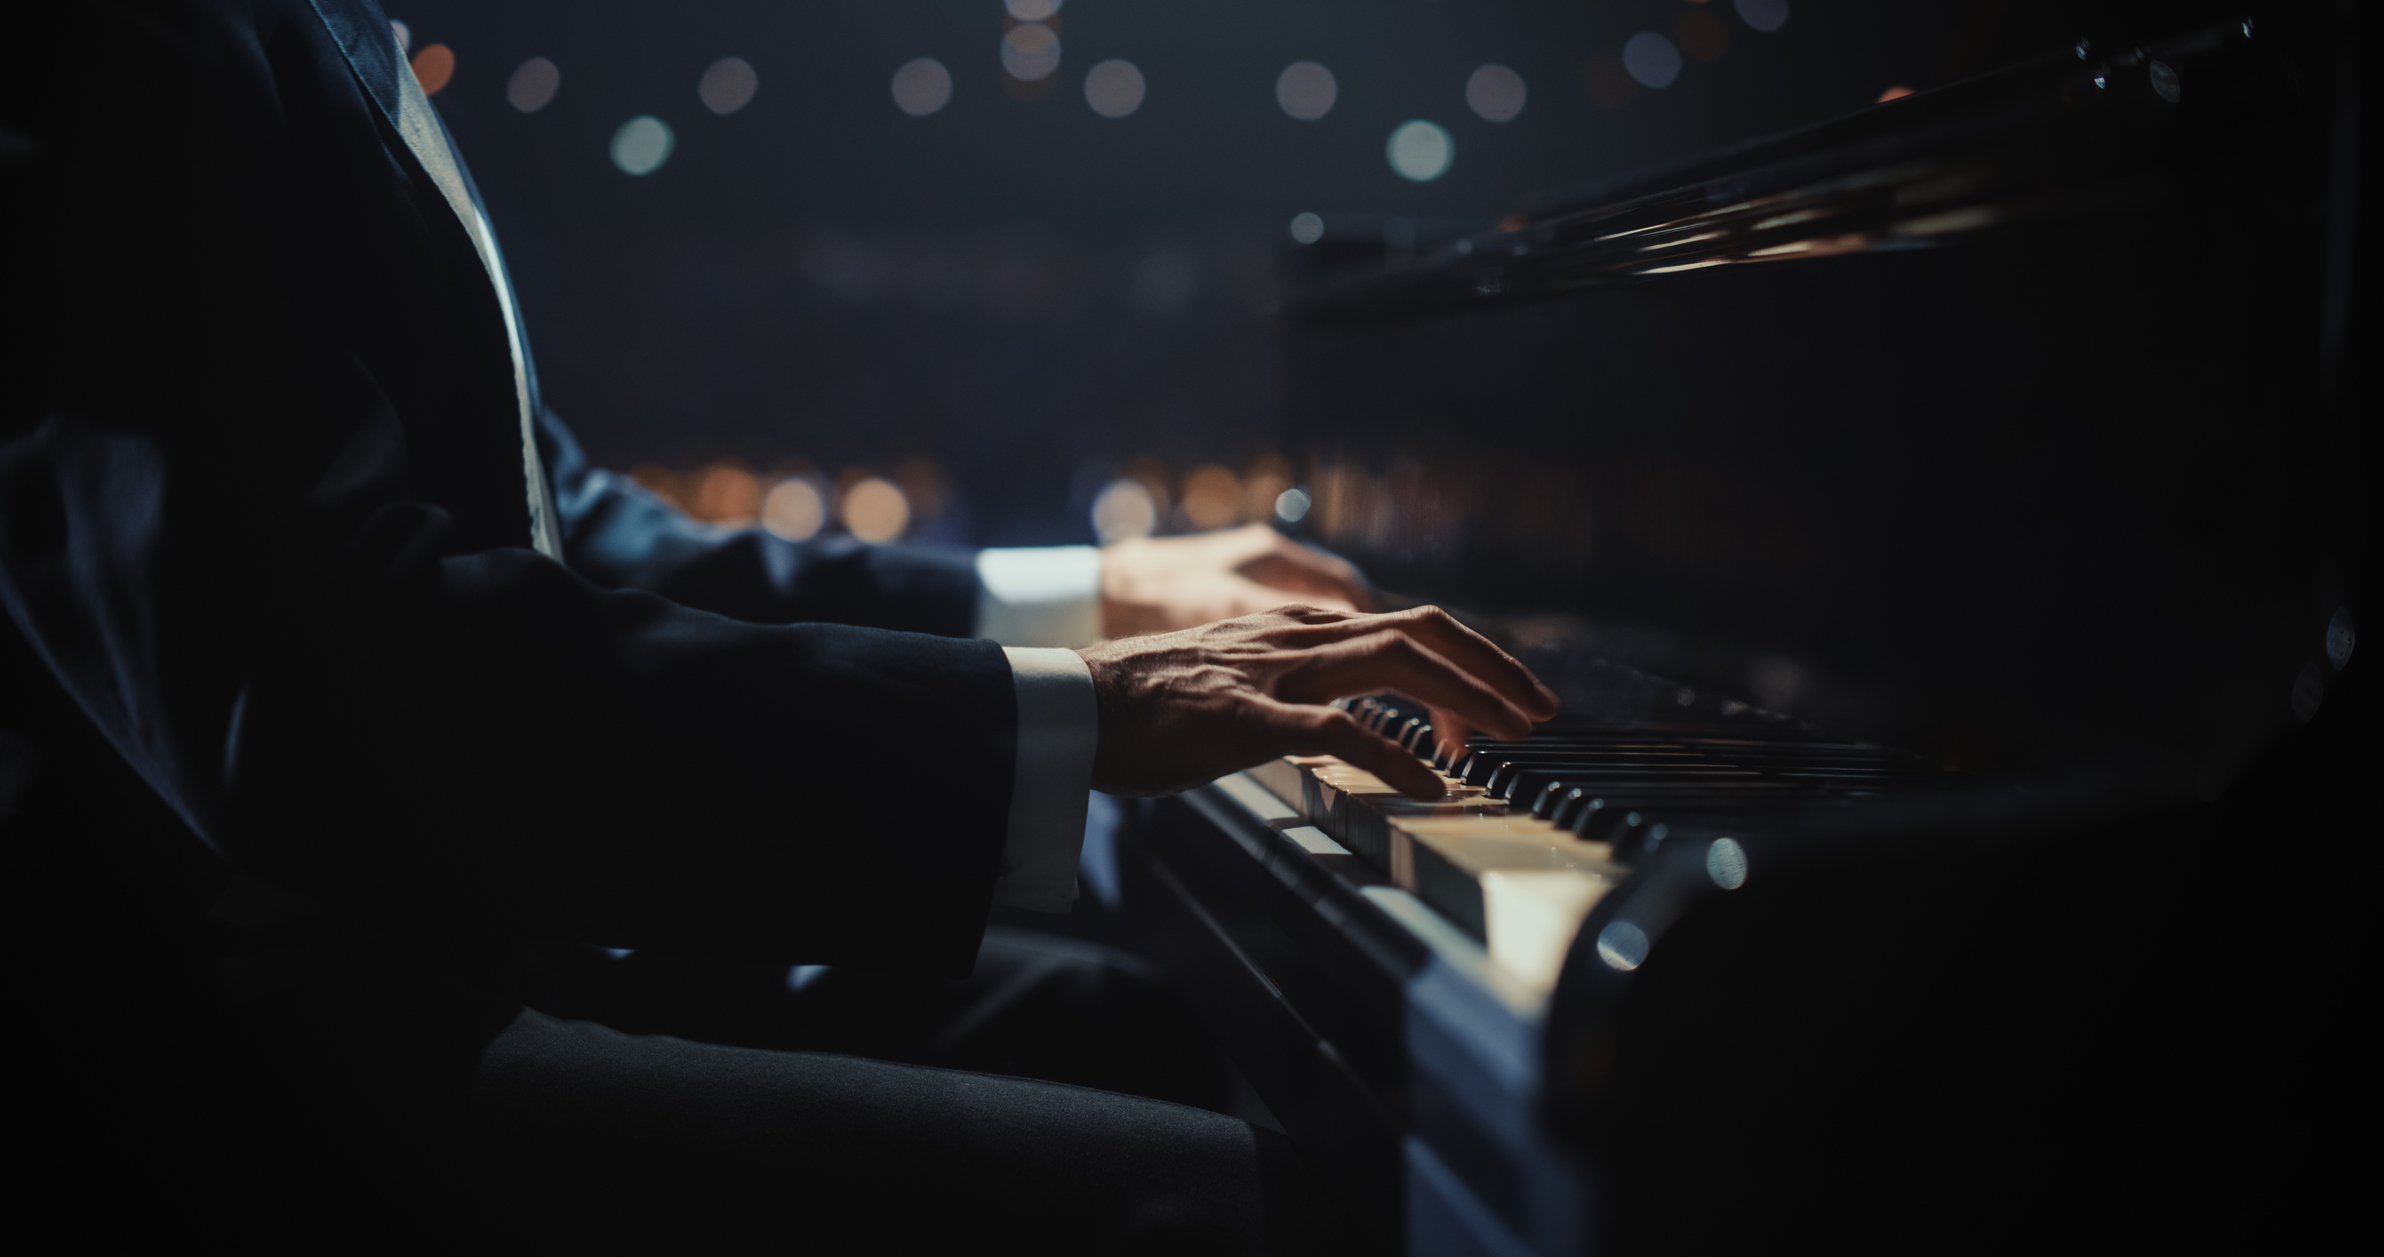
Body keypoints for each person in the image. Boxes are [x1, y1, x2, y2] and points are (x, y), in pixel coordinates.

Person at [0, 1, 1556, 1248]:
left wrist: (1081, 598)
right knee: (1236, 1206)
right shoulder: (117, 38)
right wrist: (1071, 713)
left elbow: (576, 531)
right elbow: (335, 682)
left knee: (1131, 1017)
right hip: (264, 1043)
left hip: (447, 913)